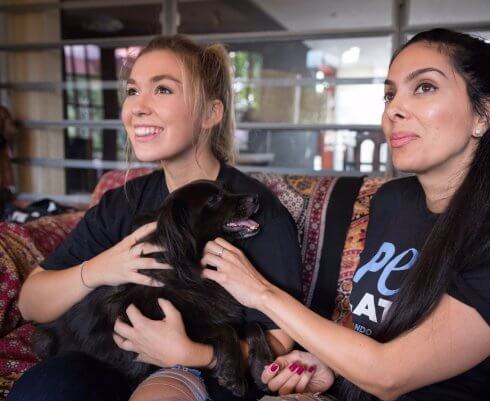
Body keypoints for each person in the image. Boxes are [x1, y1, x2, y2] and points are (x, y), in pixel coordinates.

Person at [198, 29, 490, 401]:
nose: (393, 110)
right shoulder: (392, 201)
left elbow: (389, 374)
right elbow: (374, 339)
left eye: (424, 87)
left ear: (482, 116)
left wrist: (260, 292)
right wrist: (332, 370)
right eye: (390, 94)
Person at [9, 35, 303, 401]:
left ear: (211, 113)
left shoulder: (253, 210)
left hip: (206, 376)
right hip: (112, 366)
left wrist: (197, 355)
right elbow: (31, 303)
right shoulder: (123, 201)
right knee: (46, 388)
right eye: (132, 91)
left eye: (162, 90)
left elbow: (281, 338)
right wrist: (99, 269)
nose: (138, 107)